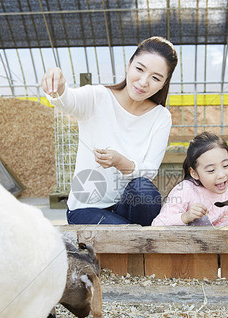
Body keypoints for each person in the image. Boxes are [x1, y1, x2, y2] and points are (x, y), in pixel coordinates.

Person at [41, 36, 178, 226]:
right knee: (130, 235)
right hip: (87, 209)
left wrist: (121, 162)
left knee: (145, 191)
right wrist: (59, 84)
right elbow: (67, 100)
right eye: (139, 69)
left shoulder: (160, 117)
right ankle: (141, 241)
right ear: (129, 65)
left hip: (128, 206)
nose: (144, 81)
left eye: (156, 78)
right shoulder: (98, 97)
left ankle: (138, 240)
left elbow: (149, 171)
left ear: (164, 83)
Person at [152, 132, 228, 227]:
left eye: (225, 165)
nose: (221, 175)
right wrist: (185, 217)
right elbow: (158, 223)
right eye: (211, 170)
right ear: (194, 173)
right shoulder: (186, 190)